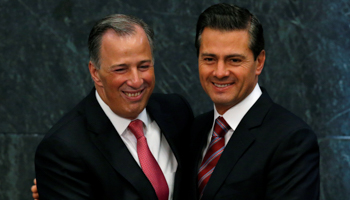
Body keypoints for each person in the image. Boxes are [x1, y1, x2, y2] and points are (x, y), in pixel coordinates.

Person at [34, 14, 193, 200]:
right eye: (121, 69)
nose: (136, 81)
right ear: (95, 73)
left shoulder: (176, 111)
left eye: (143, 66)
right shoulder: (63, 149)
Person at [186, 3, 320, 200]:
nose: (220, 72)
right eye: (209, 59)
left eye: (234, 60)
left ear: (259, 62)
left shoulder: (292, 140)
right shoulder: (195, 130)